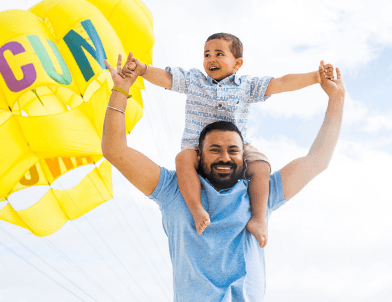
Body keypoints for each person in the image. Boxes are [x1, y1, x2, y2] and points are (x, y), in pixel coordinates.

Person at [102, 53, 344, 302]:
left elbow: (317, 160)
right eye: (214, 150)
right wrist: (121, 91)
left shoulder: (261, 194)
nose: (225, 156)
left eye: (233, 150)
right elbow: (115, 150)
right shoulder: (174, 192)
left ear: (245, 157)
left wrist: (336, 99)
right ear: (197, 156)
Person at [124, 33, 333, 249]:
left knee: (261, 166)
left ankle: (259, 219)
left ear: (237, 63)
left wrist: (315, 77)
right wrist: (142, 70)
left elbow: (281, 82)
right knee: (182, 159)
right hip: (197, 145)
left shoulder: (247, 86)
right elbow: (167, 78)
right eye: (206, 54)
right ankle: (196, 209)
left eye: (219, 54)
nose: (211, 59)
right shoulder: (194, 80)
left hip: (237, 149)